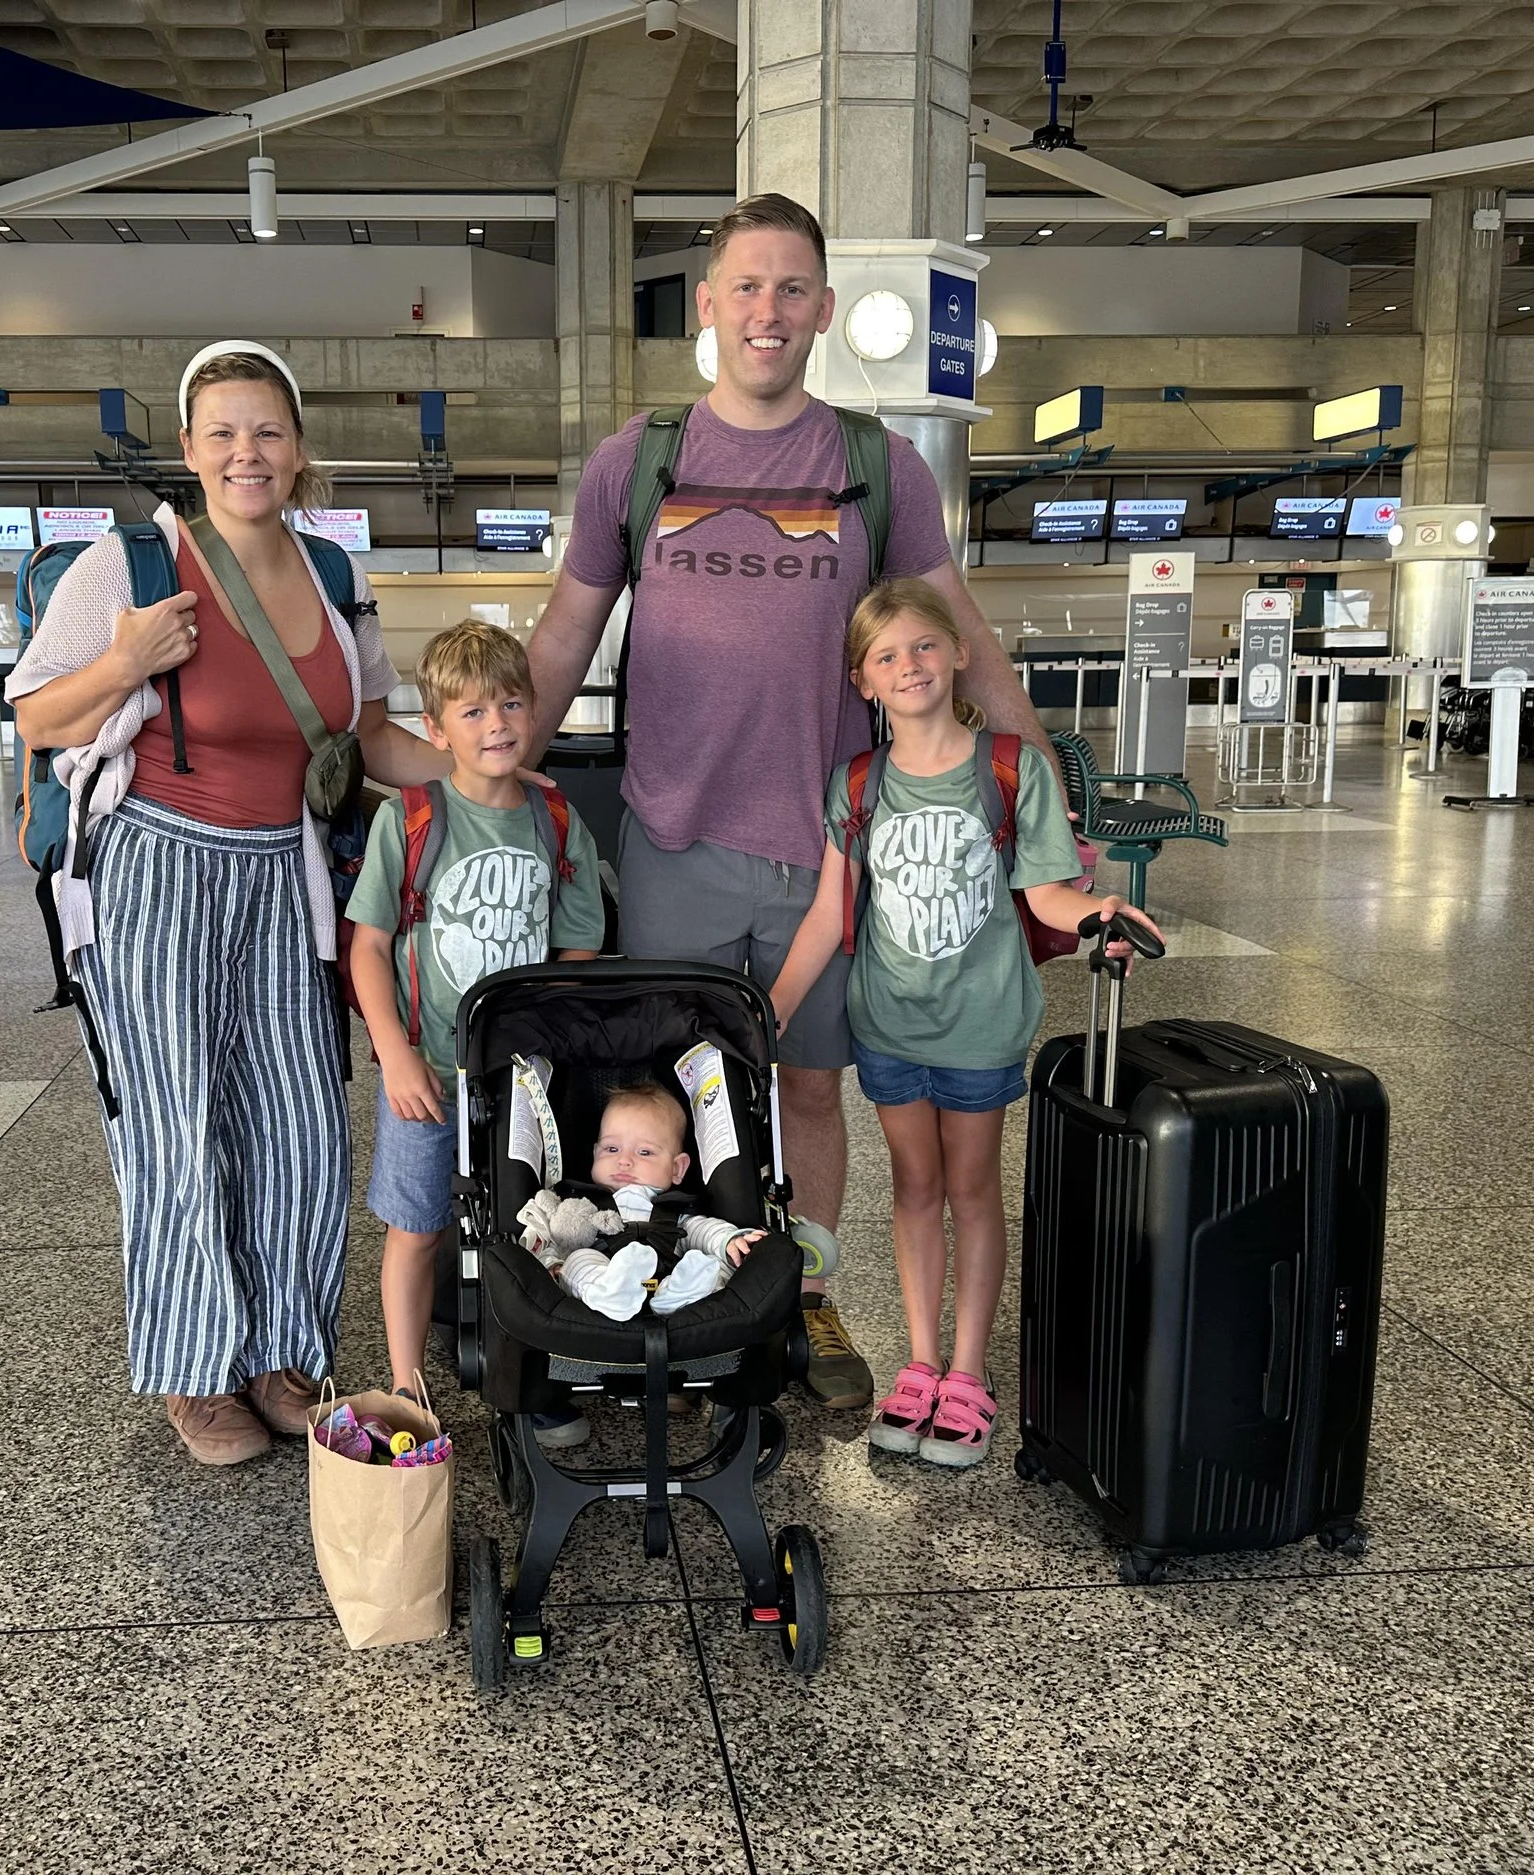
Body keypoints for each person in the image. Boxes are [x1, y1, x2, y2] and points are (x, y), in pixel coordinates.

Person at [523, 191, 1054, 1412]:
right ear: (706, 307)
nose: (768, 310)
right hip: (672, 836)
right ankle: (662, 1279)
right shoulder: (639, 461)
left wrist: (1046, 785)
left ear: (822, 309)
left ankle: (805, 1301)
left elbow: (953, 633)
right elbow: (562, 637)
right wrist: (480, 781)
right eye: (744, 287)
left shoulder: (876, 466)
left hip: (826, 846)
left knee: (811, 1088)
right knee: (665, 1086)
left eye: (791, 288)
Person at [9, 341, 444, 1467]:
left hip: (282, 870)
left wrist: (489, 768)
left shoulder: (337, 578)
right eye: (223, 433)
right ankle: (196, 1371)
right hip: (156, 863)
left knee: (298, 1123)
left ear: (299, 452)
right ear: (192, 451)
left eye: (267, 432)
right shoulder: (132, 564)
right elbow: (37, 718)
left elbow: (373, 736)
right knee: (174, 1121)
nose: (247, 452)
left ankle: (279, 1351)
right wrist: (124, 663)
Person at [769, 579, 1159, 1467]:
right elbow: (832, 915)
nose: (908, 665)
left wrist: (1098, 911)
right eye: (885, 655)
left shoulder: (1010, 769)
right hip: (889, 1024)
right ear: (862, 681)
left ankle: (971, 1372)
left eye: (922, 646)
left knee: (971, 1188)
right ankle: (920, 1363)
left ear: (957, 654)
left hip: (982, 1021)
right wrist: (776, 1008)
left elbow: (1046, 892)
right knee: (913, 1189)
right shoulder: (858, 784)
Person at [346, 619, 603, 1415]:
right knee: (417, 1226)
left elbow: (578, 948)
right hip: (427, 1067)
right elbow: (369, 946)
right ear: (436, 729)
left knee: (532, 1223)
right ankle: (404, 1380)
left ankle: (534, 1367)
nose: (496, 725)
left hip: (523, 1075)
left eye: (511, 704)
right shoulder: (412, 820)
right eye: (472, 712)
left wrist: (542, 1044)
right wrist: (393, 1053)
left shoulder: (556, 822)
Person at [519, 1083, 767, 1322]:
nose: (624, 1160)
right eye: (612, 1149)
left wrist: (729, 1240)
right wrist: (552, 1264)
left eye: (644, 1152)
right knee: (577, 1259)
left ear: (677, 1168)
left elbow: (703, 1230)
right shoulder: (582, 1206)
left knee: (710, 1266)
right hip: (604, 1276)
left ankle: (680, 1295)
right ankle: (611, 1293)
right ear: (595, 1153)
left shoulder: (674, 1212)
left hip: (667, 1276)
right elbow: (555, 1238)